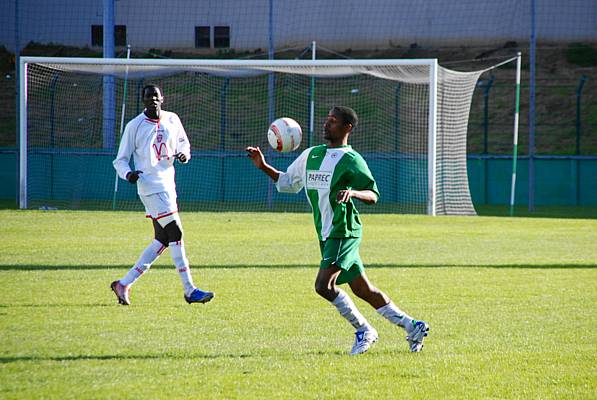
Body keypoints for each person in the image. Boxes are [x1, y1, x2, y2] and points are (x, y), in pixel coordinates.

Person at [245, 106, 429, 354]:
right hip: (327, 232)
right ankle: (412, 326)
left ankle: (365, 330)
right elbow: (287, 182)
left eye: (333, 121)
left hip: (343, 231)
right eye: (327, 120)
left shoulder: (351, 160)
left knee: (323, 285)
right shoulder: (311, 155)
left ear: (347, 128)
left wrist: (353, 192)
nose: (326, 124)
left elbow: (373, 194)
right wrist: (263, 166)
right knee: (363, 289)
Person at [111, 84, 214, 306]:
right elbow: (120, 159)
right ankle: (190, 290)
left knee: (163, 239)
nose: (152, 100)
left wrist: (184, 155)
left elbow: (184, 144)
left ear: (162, 98)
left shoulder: (172, 119)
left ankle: (124, 284)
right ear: (143, 101)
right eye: (148, 97)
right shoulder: (134, 126)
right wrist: (128, 174)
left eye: (155, 96)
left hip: (168, 185)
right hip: (149, 187)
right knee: (176, 232)